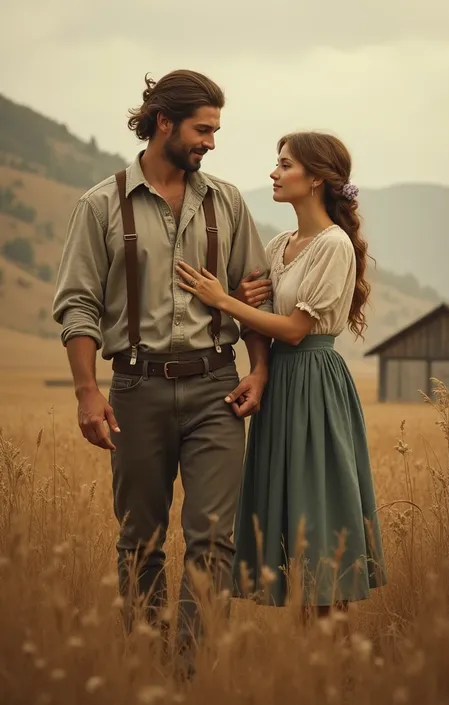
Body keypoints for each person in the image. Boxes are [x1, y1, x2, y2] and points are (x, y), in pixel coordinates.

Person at [52, 69, 272, 669]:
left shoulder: (227, 201)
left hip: (216, 389)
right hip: (135, 389)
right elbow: (77, 303)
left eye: (216, 130)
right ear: (164, 122)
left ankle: (190, 672)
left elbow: (253, 295)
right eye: (203, 129)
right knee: (141, 541)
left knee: (212, 538)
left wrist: (258, 369)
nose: (211, 141)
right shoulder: (100, 203)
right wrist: (85, 391)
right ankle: (146, 664)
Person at [176, 130, 387, 619]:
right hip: (280, 384)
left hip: (314, 382)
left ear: (315, 179)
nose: (274, 172)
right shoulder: (279, 244)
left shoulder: (334, 245)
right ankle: (309, 661)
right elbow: (265, 314)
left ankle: (334, 659)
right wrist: (246, 304)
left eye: (285, 164)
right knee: (291, 513)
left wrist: (224, 301)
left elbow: (294, 329)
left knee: (319, 509)